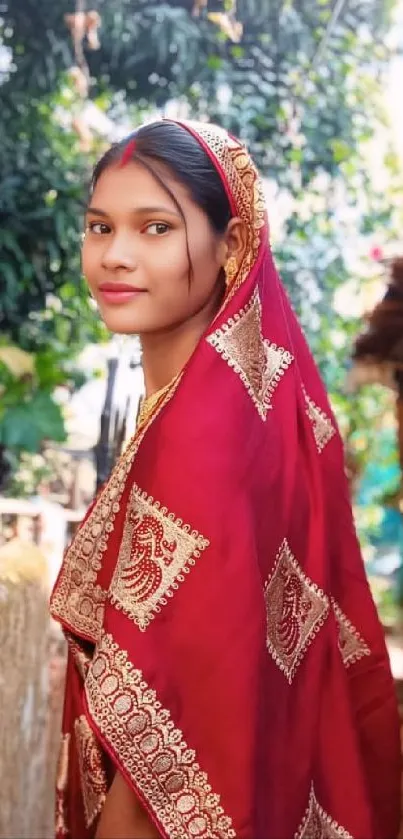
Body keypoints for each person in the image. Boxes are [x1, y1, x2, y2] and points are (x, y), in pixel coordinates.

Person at [50, 119, 401, 839]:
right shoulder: (246, 403)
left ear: (233, 245)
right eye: (98, 225)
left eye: (154, 228)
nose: (114, 255)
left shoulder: (202, 435)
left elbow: (173, 738)